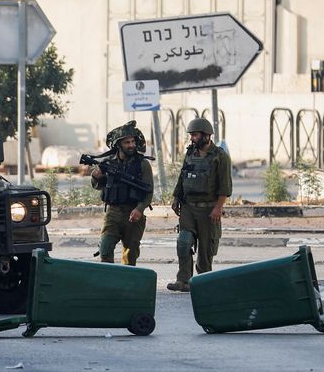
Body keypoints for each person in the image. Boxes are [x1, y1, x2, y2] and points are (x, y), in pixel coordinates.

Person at [167, 118, 232, 292]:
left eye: (194, 135)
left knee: (205, 250)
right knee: (183, 242)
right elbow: (183, 176)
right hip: (188, 207)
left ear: (206, 135)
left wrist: (218, 208)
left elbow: (225, 186)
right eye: (191, 135)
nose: (191, 139)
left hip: (208, 209)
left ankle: (202, 281)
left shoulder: (220, 156)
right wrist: (176, 197)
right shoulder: (190, 153)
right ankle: (183, 280)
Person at [90, 120, 154, 266]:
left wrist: (139, 209)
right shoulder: (108, 163)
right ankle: (109, 283)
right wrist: (95, 177)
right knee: (105, 249)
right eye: (127, 142)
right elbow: (98, 185)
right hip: (113, 213)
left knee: (129, 256)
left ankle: (127, 286)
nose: (131, 145)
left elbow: (149, 191)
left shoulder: (142, 164)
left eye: (132, 141)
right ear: (118, 145)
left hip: (133, 213)